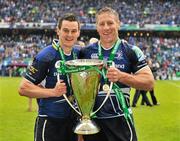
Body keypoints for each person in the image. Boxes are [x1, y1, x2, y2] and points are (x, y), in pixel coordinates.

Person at [79, 7, 154, 141]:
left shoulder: (131, 51)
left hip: (120, 122)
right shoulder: (85, 52)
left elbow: (149, 83)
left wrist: (122, 76)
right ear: (97, 27)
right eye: (102, 24)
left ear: (118, 23)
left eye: (110, 23)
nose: (106, 27)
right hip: (93, 123)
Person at [18, 13, 81, 141]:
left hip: (73, 122)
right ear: (58, 31)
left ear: (78, 33)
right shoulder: (46, 55)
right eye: (65, 30)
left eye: (73, 31)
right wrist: (53, 92)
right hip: (50, 122)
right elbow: (23, 88)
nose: (69, 35)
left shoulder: (79, 53)